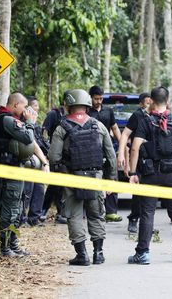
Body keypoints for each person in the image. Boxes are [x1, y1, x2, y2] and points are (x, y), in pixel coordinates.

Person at [49, 89, 117, 266]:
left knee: (75, 216)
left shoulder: (61, 128)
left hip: (71, 177)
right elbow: (111, 156)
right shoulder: (99, 126)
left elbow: (54, 157)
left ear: (68, 105)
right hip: (96, 177)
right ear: (87, 105)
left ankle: (82, 255)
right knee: (96, 214)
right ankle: (98, 253)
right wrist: (111, 180)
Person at [128, 86, 172, 265]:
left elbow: (134, 148)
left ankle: (143, 253)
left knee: (147, 212)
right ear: (168, 100)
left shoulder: (146, 121)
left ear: (152, 101)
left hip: (150, 173)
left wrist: (133, 172)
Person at [0, 92, 49, 257]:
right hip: (9, 170)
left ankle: (13, 244)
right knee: (11, 210)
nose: (25, 110)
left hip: (7, 169)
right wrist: (30, 123)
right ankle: (6, 248)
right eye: (24, 106)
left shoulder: (2, 118)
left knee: (15, 208)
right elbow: (28, 138)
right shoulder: (8, 120)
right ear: (15, 105)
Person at [88, 85, 123, 223]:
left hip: (108, 150)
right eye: (96, 99)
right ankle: (94, 211)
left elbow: (115, 128)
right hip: (91, 151)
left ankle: (111, 212)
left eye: (101, 98)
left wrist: (122, 146)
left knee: (112, 177)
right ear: (90, 98)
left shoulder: (108, 111)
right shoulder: (87, 112)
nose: (99, 101)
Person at [118, 92, 151, 233]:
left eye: (151, 102)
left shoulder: (158, 116)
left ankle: (147, 224)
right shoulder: (138, 116)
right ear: (141, 104)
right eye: (147, 102)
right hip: (138, 159)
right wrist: (122, 155)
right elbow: (125, 135)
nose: (149, 105)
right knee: (138, 193)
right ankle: (134, 219)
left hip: (152, 160)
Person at [41, 91, 69, 224]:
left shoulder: (73, 115)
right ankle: (44, 210)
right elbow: (44, 133)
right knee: (55, 185)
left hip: (68, 156)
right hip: (55, 154)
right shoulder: (54, 114)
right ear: (64, 102)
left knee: (63, 185)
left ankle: (60, 212)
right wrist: (48, 150)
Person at [20, 96, 48, 227]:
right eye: (34, 106)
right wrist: (44, 161)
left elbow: (40, 142)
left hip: (37, 161)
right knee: (26, 191)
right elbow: (32, 143)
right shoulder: (23, 123)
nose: (37, 109)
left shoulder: (36, 125)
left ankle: (34, 218)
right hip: (27, 161)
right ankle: (22, 219)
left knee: (39, 189)